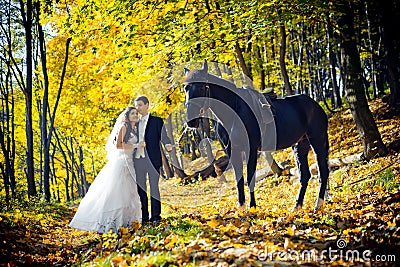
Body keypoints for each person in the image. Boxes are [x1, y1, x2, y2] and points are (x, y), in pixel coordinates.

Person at [69, 107, 144, 233]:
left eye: (136, 113)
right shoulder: (124, 127)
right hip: (122, 163)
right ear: (127, 116)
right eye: (132, 113)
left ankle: (128, 221)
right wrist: (136, 145)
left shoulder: (134, 129)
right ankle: (112, 222)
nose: (135, 115)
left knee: (130, 192)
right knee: (118, 192)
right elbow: (118, 145)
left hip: (130, 162)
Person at [134, 96, 172, 224]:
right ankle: (144, 217)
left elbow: (164, 137)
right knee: (141, 189)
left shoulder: (157, 121)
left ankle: (156, 216)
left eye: (140, 105)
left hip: (153, 159)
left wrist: (167, 144)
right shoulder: (134, 123)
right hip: (138, 160)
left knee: (154, 188)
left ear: (147, 105)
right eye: (136, 105)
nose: (138, 108)